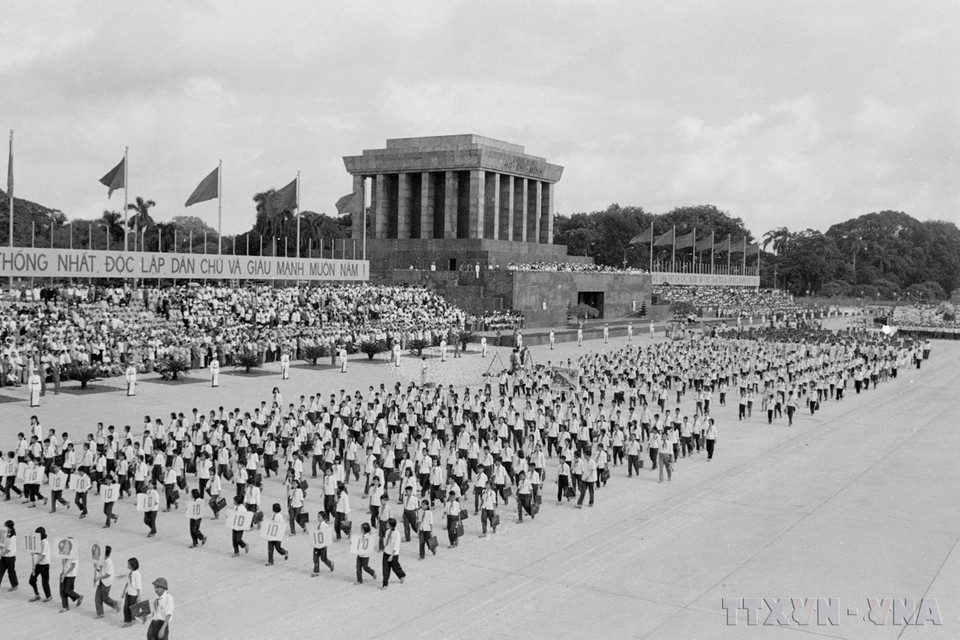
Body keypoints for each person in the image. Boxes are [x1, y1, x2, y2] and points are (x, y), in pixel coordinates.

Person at [93, 544, 120, 618]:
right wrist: (96, 568)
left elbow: (108, 574)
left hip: (107, 583)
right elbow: (101, 571)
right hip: (102, 581)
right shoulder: (102, 561)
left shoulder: (109, 563)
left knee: (105, 598)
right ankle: (100, 613)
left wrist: (98, 578)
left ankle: (115, 603)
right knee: (97, 597)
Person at [29, 526, 52, 602]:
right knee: (32, 580)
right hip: (39, 564)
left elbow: (43, 555)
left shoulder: (45, 543)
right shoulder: (39, 542)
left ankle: (48, 596)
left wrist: (36, 563)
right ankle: (37, 594)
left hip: (44, 564)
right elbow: (39, 551)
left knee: (44, 581)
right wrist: (34, 552)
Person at [381, 517, 405, 590]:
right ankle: (385, 584)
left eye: (388, 523)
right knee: (385, 569)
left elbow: (396, 545)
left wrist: (392, 555)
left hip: (393, 554)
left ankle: (401, 575)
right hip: (386, 552)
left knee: (395, 568)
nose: (386, 524)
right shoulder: (388, 531)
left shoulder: (397, 534)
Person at [58, 544, 82, 612]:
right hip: (64, 573)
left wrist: (64, 574)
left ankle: (78, 596)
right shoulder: (65, 552)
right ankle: (65, 606)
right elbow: (64, 563)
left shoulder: (74, 553)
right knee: (62, 591)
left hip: (71, 574)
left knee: (67, 590)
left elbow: (72, 566)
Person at [311, 511, 335, 576]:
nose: (318, 518)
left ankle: (330, 564)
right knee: (315, 557)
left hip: (323, 545)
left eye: (319, 516)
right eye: (318, 516)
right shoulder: (317, 525)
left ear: (323, 517)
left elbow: (328, 535)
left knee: (323, 558)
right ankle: (316, 571)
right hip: (316, 544)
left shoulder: (326, 526)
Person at [121, 557, 142, 627]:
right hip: (128, 592)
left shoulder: (137, 574)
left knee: (133, 608)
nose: (127, 565)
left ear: (132, 565)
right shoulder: (130, 573)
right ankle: (127, 620)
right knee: (126, 608)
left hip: (134, 594)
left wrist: (139, 596)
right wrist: (124, 592)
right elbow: (127, 583)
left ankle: (132, 620)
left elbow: (138, 586)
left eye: (128, 564)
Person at [0, 520, 18, 591]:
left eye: (5, 526)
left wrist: (1, 554)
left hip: (10, 557)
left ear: (9, 528)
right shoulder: (5, 534)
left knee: (11, 571)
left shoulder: (13, 537)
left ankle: (14, 585)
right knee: (0, 570)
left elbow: (9, 549)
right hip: (4, 556)